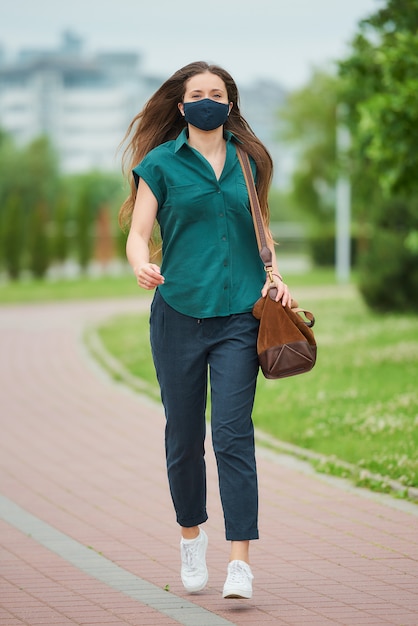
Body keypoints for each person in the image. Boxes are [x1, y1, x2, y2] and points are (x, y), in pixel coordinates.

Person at [119, 61, 291, 600]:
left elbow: (260, 230)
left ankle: (240, 561)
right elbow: (138, 231)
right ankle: (191, 536)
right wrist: (139, 263)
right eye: (198, 94)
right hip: (178, 314)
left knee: (233, 435)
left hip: (240, 315)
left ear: (230, 103)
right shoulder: (161, 164)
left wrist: (276, 279)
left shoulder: (249, 162)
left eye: (217, 93)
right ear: (181, 105)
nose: (207, 101)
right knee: (183, 436)